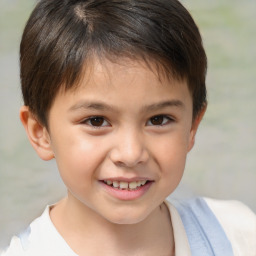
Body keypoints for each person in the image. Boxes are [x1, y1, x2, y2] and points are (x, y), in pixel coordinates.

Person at [2, 0, 255, 255]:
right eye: (96, 121)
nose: (131, 153)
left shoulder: (237, 235)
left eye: (158, 119)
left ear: (192, 127)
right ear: (40, 133)